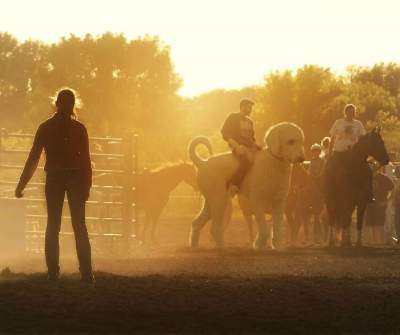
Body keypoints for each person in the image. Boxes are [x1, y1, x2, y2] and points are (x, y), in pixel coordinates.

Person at [15, 88, 94, 284]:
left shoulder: (46, 128)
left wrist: (21, 184)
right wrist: (87, 185)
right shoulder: (79, 129)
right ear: (72, 105)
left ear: (56, 104)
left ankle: (53, 272)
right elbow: (86, 160)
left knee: (53, 225)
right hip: (75, 179)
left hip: (55, 179)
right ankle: (86, 273)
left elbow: (33, 158)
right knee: (79, 225)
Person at [326, 103, 373, 202]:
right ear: (345, 112)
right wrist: (330, 152)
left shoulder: (358, 124)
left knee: (367, 170)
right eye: (349, 112)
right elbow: (332, 137)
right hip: (339, 151)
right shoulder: (338, 122)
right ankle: (327, 190)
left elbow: (362, 139)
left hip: (353, 153)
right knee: (330, 168)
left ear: (354, 113)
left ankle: (368, 193)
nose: (351, 114)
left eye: (353, 112)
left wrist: (363, 152)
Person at [221, 98, 260, 194]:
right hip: (238, 148)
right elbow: (225, 133)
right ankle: (233, 185)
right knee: (246, 161)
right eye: (249, 107)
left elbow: (251, 138)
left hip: (249, 148)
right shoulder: (233, 117)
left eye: (251, 108)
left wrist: (257, 146)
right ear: (242, 107)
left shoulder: (250, 122)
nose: (250, 110)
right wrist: (236, 146)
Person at [365, 165, 394, 244]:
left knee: (379, 225)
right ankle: (375, 243)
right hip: (370, 206)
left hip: (380, 205)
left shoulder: (383, 178)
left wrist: (386, 201)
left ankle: (380, 242)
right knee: (371, 225)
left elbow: (392, 190)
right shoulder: (367, 179)